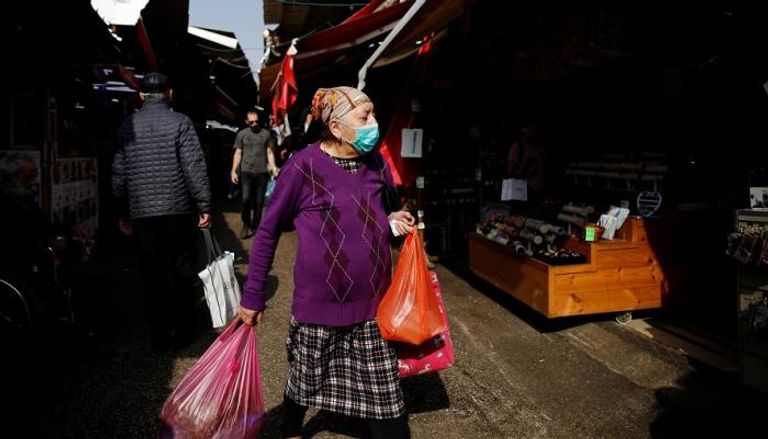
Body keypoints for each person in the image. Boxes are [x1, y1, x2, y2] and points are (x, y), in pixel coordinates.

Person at [237, 86, 415, 439]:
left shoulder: (377, 162)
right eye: (364, 117)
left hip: (374, 307)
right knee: (304, 380)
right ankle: (289, 426)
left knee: (387, 403)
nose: (374, 124)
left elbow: (382, 214)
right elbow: (269, 230)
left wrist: (395, 218)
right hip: (318, 308)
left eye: (374, 114)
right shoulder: (302, 166)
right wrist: (253, 295)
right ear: (335, 127)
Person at [111, 72, 212, 352]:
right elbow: (194, 167)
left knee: (152, 274)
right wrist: (204, 205)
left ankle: (159, 334)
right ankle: (184, 331)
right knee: (182, 269)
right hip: (178, 209)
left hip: (143, 212)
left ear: (141, 95)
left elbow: (119, 173)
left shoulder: (126, 125)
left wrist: (121, 209)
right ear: (169, 93)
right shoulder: (180, 122)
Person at [231, 110, 278, 239]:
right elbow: (238, 153)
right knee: (246, 200)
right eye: (251, 122)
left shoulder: (266, 134)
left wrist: (273, 167)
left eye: (256, 121)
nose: (254, 124)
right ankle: (246, 223)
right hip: (246, 172)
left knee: (259, 203)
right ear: (247, 121)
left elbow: (269, 153)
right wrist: (233, 171)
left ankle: (256, 226)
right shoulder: (242, 135)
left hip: (262, 173)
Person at [507, 122, 547, 203]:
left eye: (536, 130)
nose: (535, 133)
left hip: (538, 190)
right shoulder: (518, 146)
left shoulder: (539, 147)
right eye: (532, 129)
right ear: (525, 130)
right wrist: (527, 171)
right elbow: (510, 171)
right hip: (523, 190)